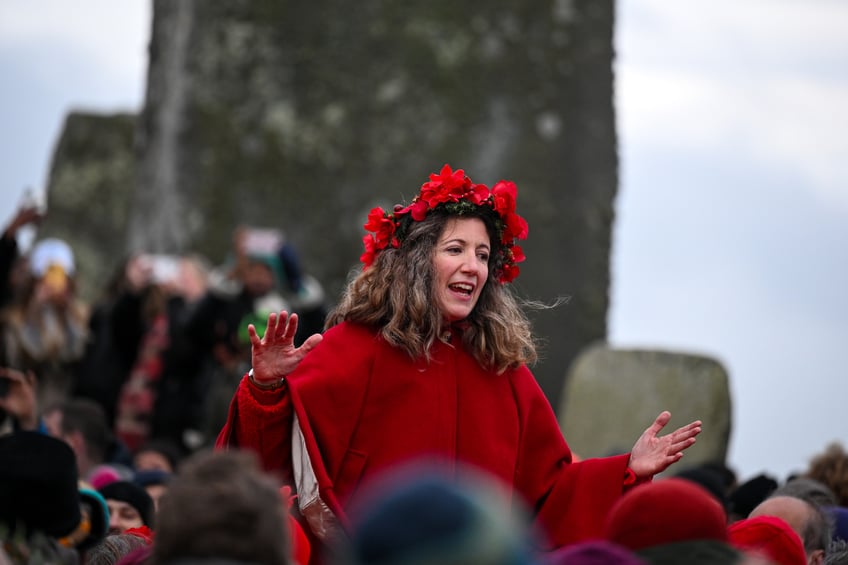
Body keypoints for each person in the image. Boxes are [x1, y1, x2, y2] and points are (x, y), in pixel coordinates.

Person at [216, 164, 702, 558]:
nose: (474, 265)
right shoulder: (352, 347)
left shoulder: (503, 373)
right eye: (456, 249)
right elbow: (271, 473)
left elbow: (549, 495)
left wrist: (624, 471)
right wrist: (265, 388)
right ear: (414, 260)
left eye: (484, 255)